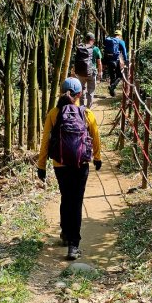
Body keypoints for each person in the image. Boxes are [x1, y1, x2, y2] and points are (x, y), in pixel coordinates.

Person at [37, 77, 102, 260]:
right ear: (80, 94)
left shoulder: (53, 113)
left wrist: (41, 165)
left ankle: (66, 233)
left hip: (60, 164)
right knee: (76, 201)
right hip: (81, 164)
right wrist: (97, 157)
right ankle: (74, 244)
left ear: (61, 92)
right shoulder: (86, 113)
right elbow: (95, 137)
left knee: (66, 197)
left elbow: (45, 142)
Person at [73, 32, 103, 108]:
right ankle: (88, 108)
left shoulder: (80, 48)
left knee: (82, 90)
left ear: (85, 39)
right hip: (91, 73)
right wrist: (100, 72)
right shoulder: (96, 49)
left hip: (81, 73)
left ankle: (82, 108)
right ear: (93, 40)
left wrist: (73, 72)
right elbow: (99, 63)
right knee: (91, 91)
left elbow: (76, 61)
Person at [103, 29, 128, 97]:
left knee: (112, 76)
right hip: (116, 61)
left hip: (108, 61)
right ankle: (112, 86)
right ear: (120, 35)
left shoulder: (110, 40)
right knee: (119, 76)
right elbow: (124, 53)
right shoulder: (121, 41)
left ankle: (112, 92)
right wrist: (126, 61)